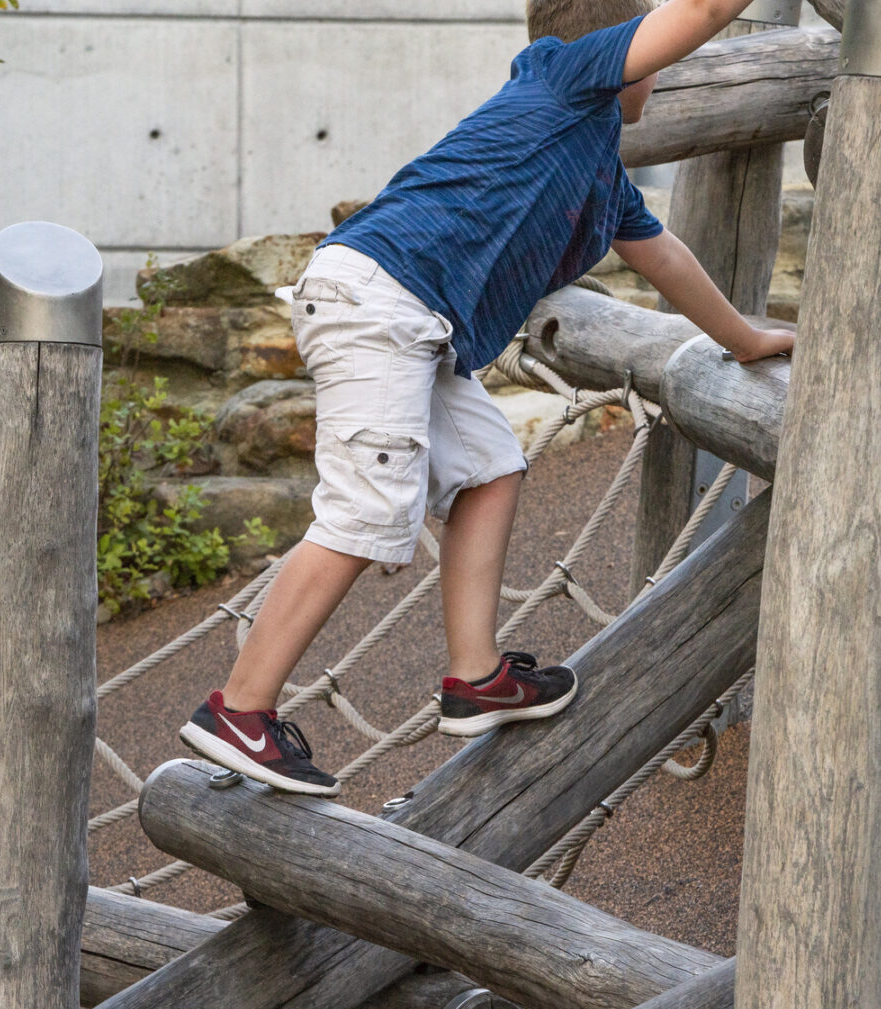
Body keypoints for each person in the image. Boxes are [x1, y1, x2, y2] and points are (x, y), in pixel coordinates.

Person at [180, 0, 796, 795]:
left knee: (488, 467)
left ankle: (475, 677)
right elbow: (707, 8)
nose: (662, 73)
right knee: (365, 514)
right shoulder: (570, 77)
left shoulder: (601, 169)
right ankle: (240, 708)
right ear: (625, 52)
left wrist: (748, 341)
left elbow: (667, 259)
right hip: (380, 304)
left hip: (414, 323)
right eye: (655, 55)